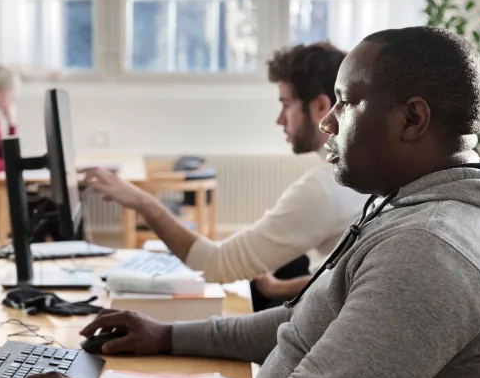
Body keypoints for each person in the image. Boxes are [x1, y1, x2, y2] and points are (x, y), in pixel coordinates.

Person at [8, 26, 480, 378]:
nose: (328, 120)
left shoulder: (435, 249)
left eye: (345, 103)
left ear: (412, 119)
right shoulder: (419, 214)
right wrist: (169, 335)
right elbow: (303, 322)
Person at [82, 43, 367, 304]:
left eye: (285, 104)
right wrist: (280, 288)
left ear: (320, 106)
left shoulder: (325, 190)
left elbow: (215, 265)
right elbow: (348, 278)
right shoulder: (364, 178)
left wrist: (141, 202)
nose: (279, 119)